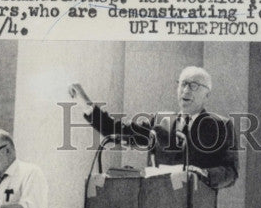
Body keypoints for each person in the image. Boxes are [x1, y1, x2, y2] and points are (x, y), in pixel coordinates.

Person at [72, 66, 238, 190]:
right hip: (155, 205)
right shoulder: (159, 121)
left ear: (207, 94)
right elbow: (116, 131)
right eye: (183, 84)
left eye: (194, 85)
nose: (186, 90)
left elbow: (230, 172)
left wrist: (203, 174)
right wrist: (87, 106)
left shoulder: (221, 125)